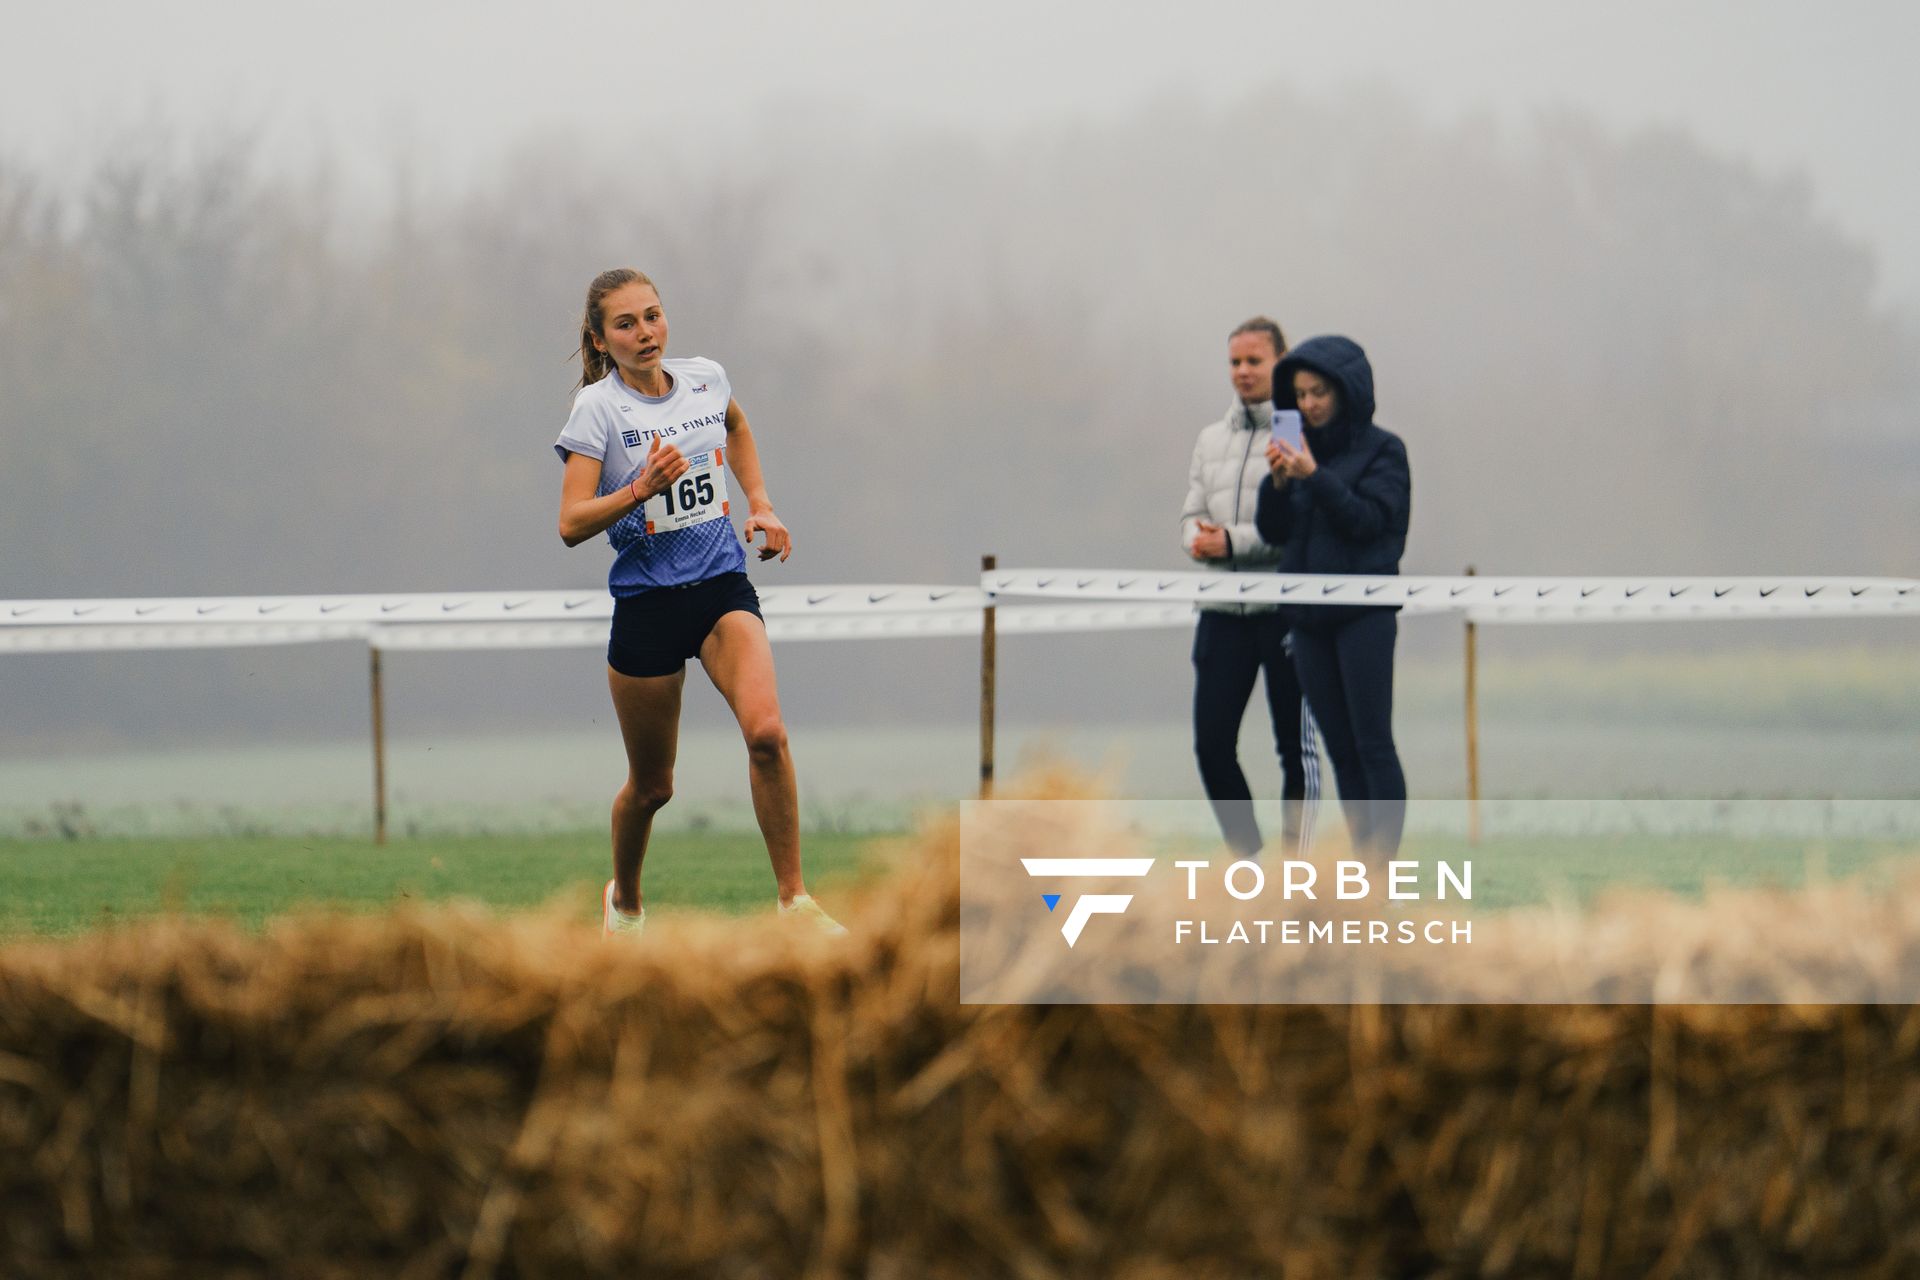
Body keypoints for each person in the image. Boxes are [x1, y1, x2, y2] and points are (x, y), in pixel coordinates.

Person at [555, 268, 844, 938]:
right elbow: (570, 523)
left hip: (720, 589)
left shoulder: (707, 379)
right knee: (654, 787)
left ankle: (794, 902)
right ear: (601, 340)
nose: (645, 333)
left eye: (652, 316)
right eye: (625, 324)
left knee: (767, 735)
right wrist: (638, 489)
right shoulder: (597, 410)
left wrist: (762, 504)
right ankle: (624, 901)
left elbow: (736, 429)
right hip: (647, 605)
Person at [1255, 335, 1410, 858]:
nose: (1308, 404)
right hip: (1307, 622)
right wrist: (1276, 485)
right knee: (1341, 751)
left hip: (1363, 617)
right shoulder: (1296, 452)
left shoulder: (1385, 452)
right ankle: (1361, 865)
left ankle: (1383, 868)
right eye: (1299, 394)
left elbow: (1371, 523)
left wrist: (1316, 478)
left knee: (1373, 745)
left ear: (1347, 391)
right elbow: (1274, 533)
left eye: (1319, 391)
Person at [1180, 317, 1321, 859]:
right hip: (1219, 612)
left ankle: (1296, 871)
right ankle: (1252, 863)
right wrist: (1196, 539)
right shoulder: (1209, 439)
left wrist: (1232, 544)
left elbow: (1297, 528)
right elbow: (1190, 515)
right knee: (1211, 746)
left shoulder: (1297, 435)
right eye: (1235, 362)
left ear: (1280, 364)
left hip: (1285, 615)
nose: (1242, 372)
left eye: (1254, 361)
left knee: (1295, 750)